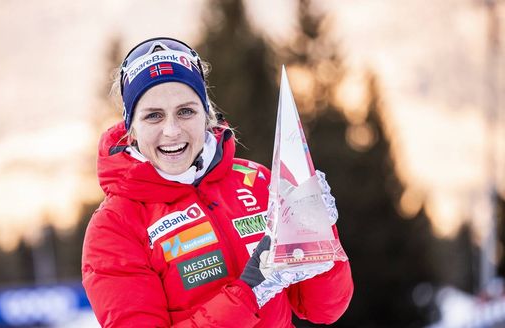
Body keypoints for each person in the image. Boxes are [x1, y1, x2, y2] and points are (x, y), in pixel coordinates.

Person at [81, 37, 353, 327]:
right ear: (131, 129)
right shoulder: (114, 227)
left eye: (186, 111)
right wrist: (249, 292)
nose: (171, 131)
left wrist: (320, 235)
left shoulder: (257, 181)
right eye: (153, 116)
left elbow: (325, 309)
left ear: (206, 115)